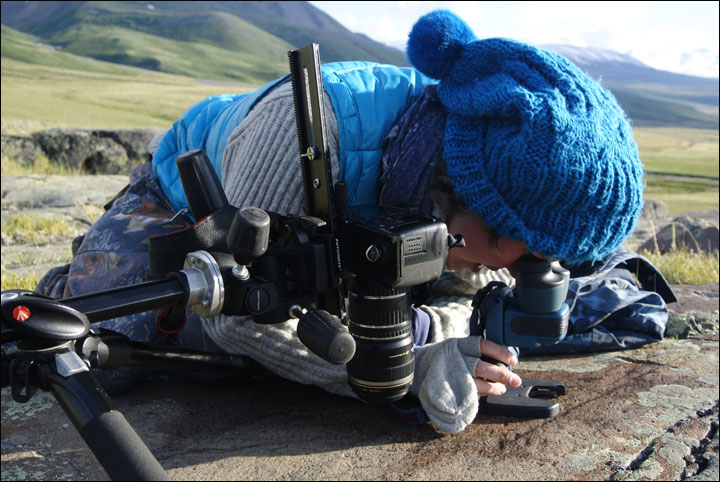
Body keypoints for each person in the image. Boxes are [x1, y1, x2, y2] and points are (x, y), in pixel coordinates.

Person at [36, 10, 671, 433]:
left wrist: (436, 332)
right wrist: (403, 364)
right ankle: (86, 260)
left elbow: (455, 295)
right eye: (508, 242)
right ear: (460, 180)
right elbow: (243, 319)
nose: (507, 266)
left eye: (537, 259)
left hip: (362, 225)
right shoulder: (303, 134)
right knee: (115, 333)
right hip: (196, 207)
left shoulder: (470, 205)